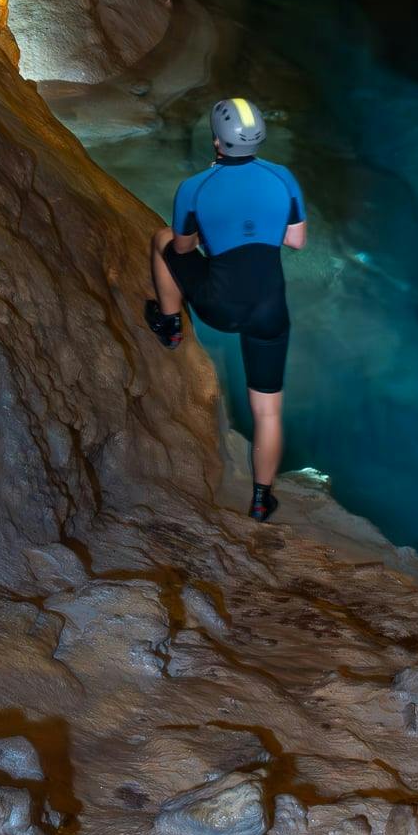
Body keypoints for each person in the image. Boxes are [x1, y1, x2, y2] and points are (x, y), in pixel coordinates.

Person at [145, 98, 307, 522]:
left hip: (219, 305)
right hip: (270, 312)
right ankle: (261, 499)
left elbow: (183, 247)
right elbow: (296, 240)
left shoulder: (195, 187)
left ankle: (169, 326)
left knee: (161, 238)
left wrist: (216, 229)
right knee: (268, 410)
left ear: (217, 140)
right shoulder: (283, 178)